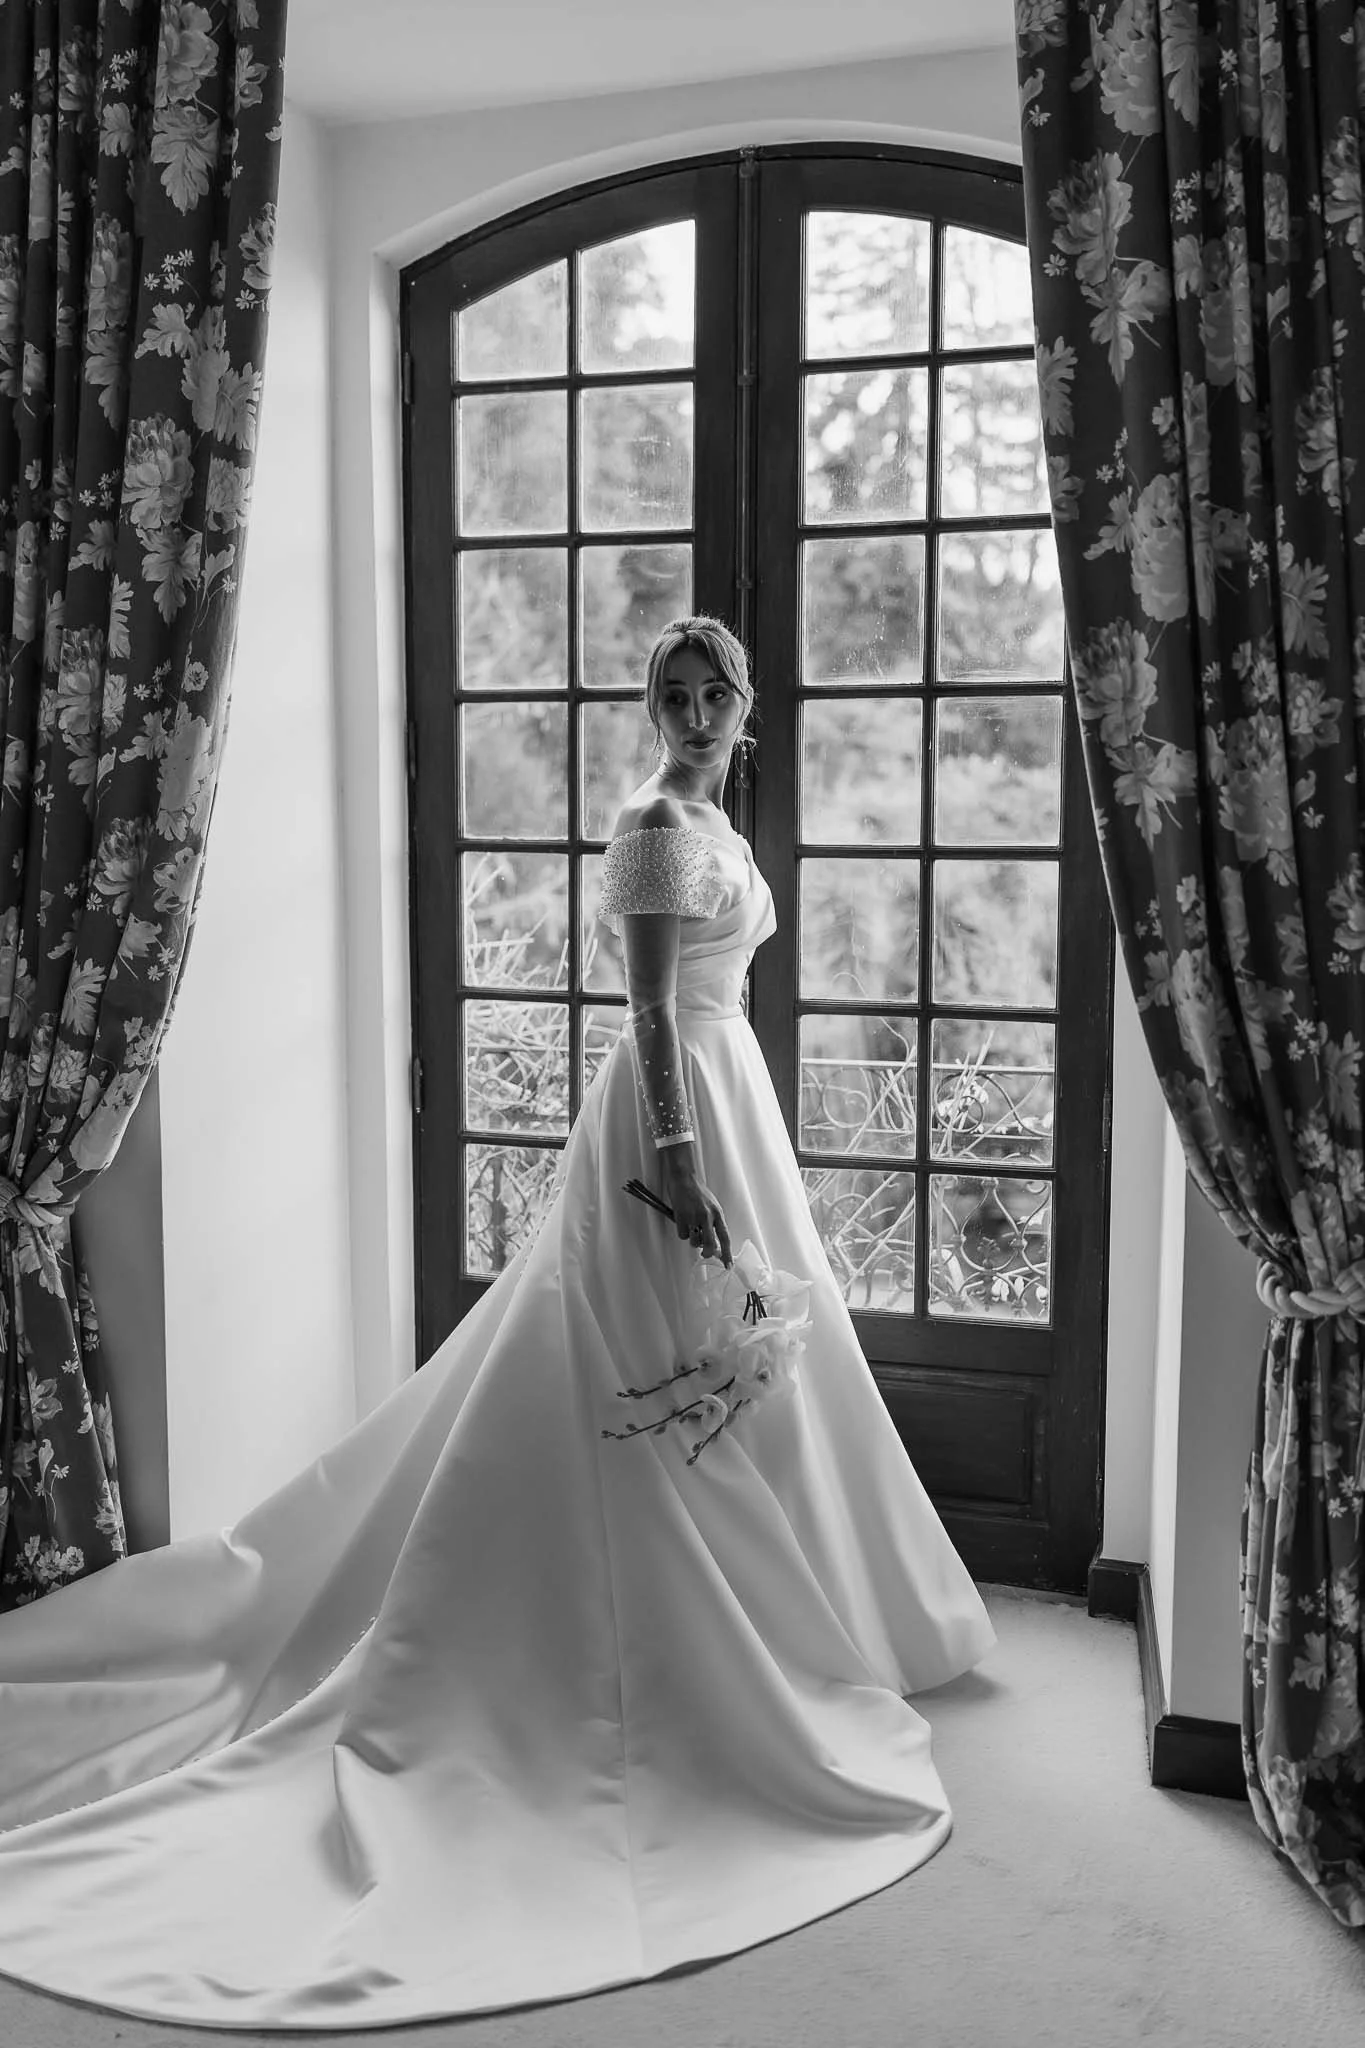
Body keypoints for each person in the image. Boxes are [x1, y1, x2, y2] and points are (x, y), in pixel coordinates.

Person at [0, 615, 997, 2030]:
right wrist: (683, 1161)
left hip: (735, 1091)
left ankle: (806, 1614)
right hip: (677, 1118)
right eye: (676, 691)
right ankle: (629, 1645)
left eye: (718, 690)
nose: (701, 709)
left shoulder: (713, 817)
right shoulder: (655, 830)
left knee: (741, 1365)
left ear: (749, 700)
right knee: (650, 1367)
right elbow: (651, 1014)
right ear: (652, 706)